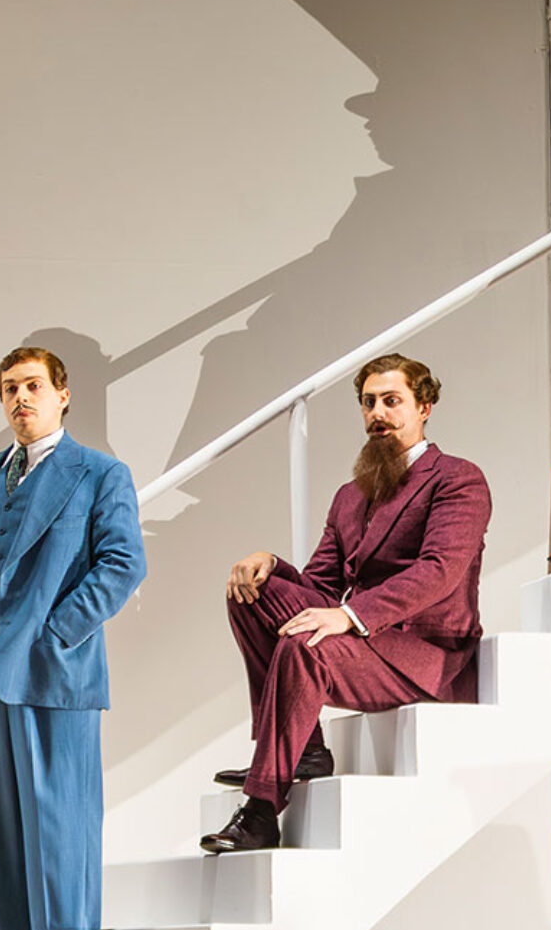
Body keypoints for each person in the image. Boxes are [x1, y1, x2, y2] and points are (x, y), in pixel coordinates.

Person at [202, 354, 490, 855]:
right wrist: (269, 564)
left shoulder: (457, 479)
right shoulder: (350, 496)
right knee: (251, 596)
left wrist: (349, 616)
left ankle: (261, 809)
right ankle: (305, 751)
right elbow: (319, 583)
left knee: (303, 647)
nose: (378, 413)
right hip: (368, 644)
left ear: (424, 406)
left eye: (392, 401)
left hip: (427, 653)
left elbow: (440, 571)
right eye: (369, 402)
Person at [0, 346, 146, 930]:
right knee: (0, 820)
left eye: (33, 386)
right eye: (8, 388)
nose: (20, 399)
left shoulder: (99, 473)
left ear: (63, 394)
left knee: (61, 820)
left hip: (56, 672)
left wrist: (58, 634)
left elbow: (122, 566)